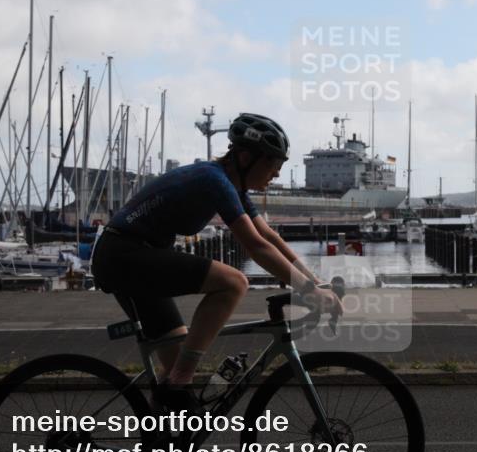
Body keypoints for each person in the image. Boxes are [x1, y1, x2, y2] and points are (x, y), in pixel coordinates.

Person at [91, 113, 342, 409]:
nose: (276, 173)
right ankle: (179, 384)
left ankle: (161, 447)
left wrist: (314, 282)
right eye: (273, 164)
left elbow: (269, 237)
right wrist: (309, 292)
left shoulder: (232, 185)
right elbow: (256, 247)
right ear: (246, 157)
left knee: (175, 368)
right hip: (124, 255)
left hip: (134, 256)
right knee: (233, 282)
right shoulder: (213, 179)